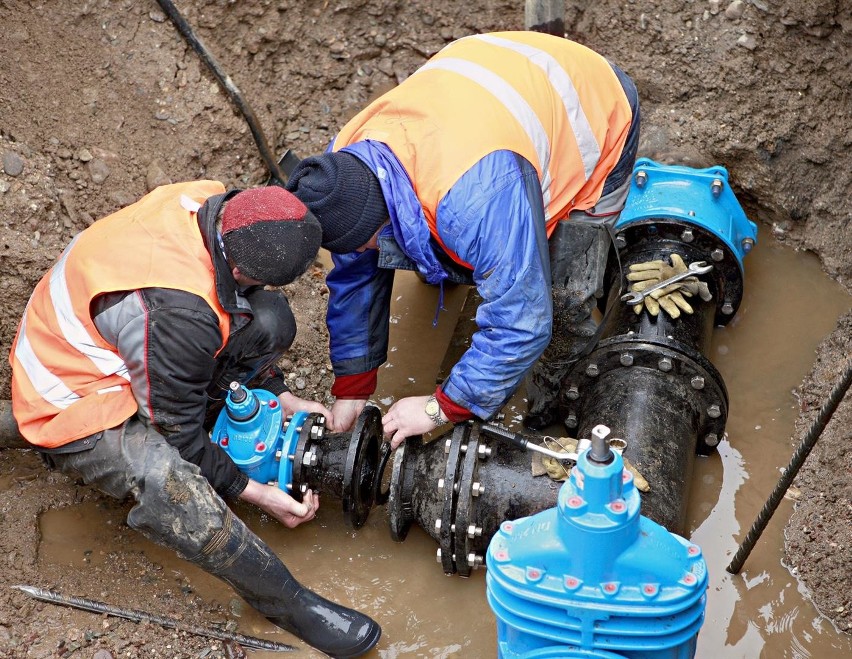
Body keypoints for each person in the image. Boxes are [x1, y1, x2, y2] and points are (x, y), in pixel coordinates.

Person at [9, 182, 381, 658]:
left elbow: (238, 312)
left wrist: (277, 393)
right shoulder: (178, 312)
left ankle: (212, 395)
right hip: (71, 396)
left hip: (117, 339)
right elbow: (177, 434)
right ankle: (286, 602)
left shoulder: (211, 201)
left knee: (269, 318)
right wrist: (255, 492)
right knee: (169, 480)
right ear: (242, 265)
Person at [284, 31, 641, 446]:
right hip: (489, 92)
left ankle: (559, 396)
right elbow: (354, 278)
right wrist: (353, 386)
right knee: (437, 250)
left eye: (365, 243)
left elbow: (524, 322)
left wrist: (441, 406)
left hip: (596, 109)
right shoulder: (344, 166)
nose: (360, 252)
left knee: (561, 293)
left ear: (381, 218)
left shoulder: (476, 199)